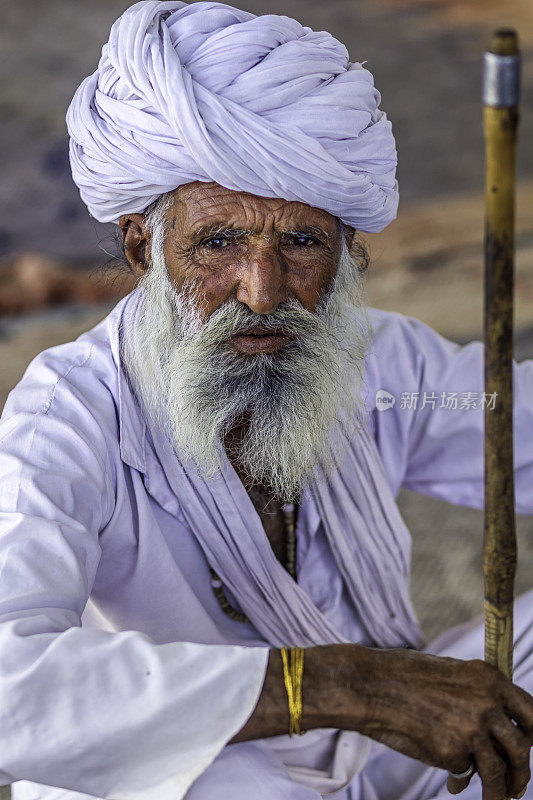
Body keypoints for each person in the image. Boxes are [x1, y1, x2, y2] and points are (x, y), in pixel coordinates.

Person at [0, 2, 532, 800]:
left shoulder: (377, 361)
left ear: (349, 252)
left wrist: (375, 699)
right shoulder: (69, 416)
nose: (262, 292)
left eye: (301, 242)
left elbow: (512, 427)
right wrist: (349, 686)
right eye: (217, 243)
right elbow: (12, 691)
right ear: (145, 246)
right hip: (210, 774)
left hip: (376, 751)